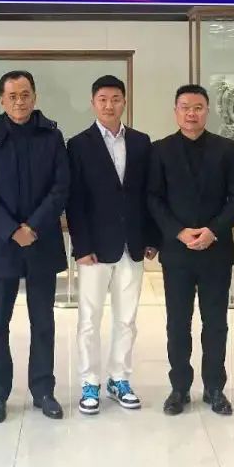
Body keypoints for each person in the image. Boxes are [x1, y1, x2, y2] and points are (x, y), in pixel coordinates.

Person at [0, 70, 69, 423]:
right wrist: (13, 229)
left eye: (25, 94)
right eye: (12, 96)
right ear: (1, 100)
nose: (19, 101)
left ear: (35, 97)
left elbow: (61, 187)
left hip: (42, 241)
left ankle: (43, 390)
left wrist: (33, 226)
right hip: (2, 243)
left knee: (43, 321)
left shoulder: (52, 136)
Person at [149, 84, 234, 417]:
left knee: (215, 322)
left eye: (198, 107)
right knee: (178, 322)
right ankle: (179, 387)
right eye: (185, 107)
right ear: (175, 111)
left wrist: (212, 231)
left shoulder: (226, 149)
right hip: (177, 252)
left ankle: (215, 388)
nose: (192, 113)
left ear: (207, 111)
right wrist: (178, 231)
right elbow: (153, 197)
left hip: (216, 250)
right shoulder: (160, 150)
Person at [66, 75, 156, 416]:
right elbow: (75, 200)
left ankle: (120, 379)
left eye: (115, 99)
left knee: (127, 318)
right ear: (93, 103)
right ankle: (89, 382)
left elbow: (148, 194)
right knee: (89, 319)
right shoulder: (78, 144)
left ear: (124, 102)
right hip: (94, 248)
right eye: (102, 99)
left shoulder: (141, 142)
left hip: (132, 245)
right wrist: (81, 245)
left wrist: (151, 237)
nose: (109, 105)